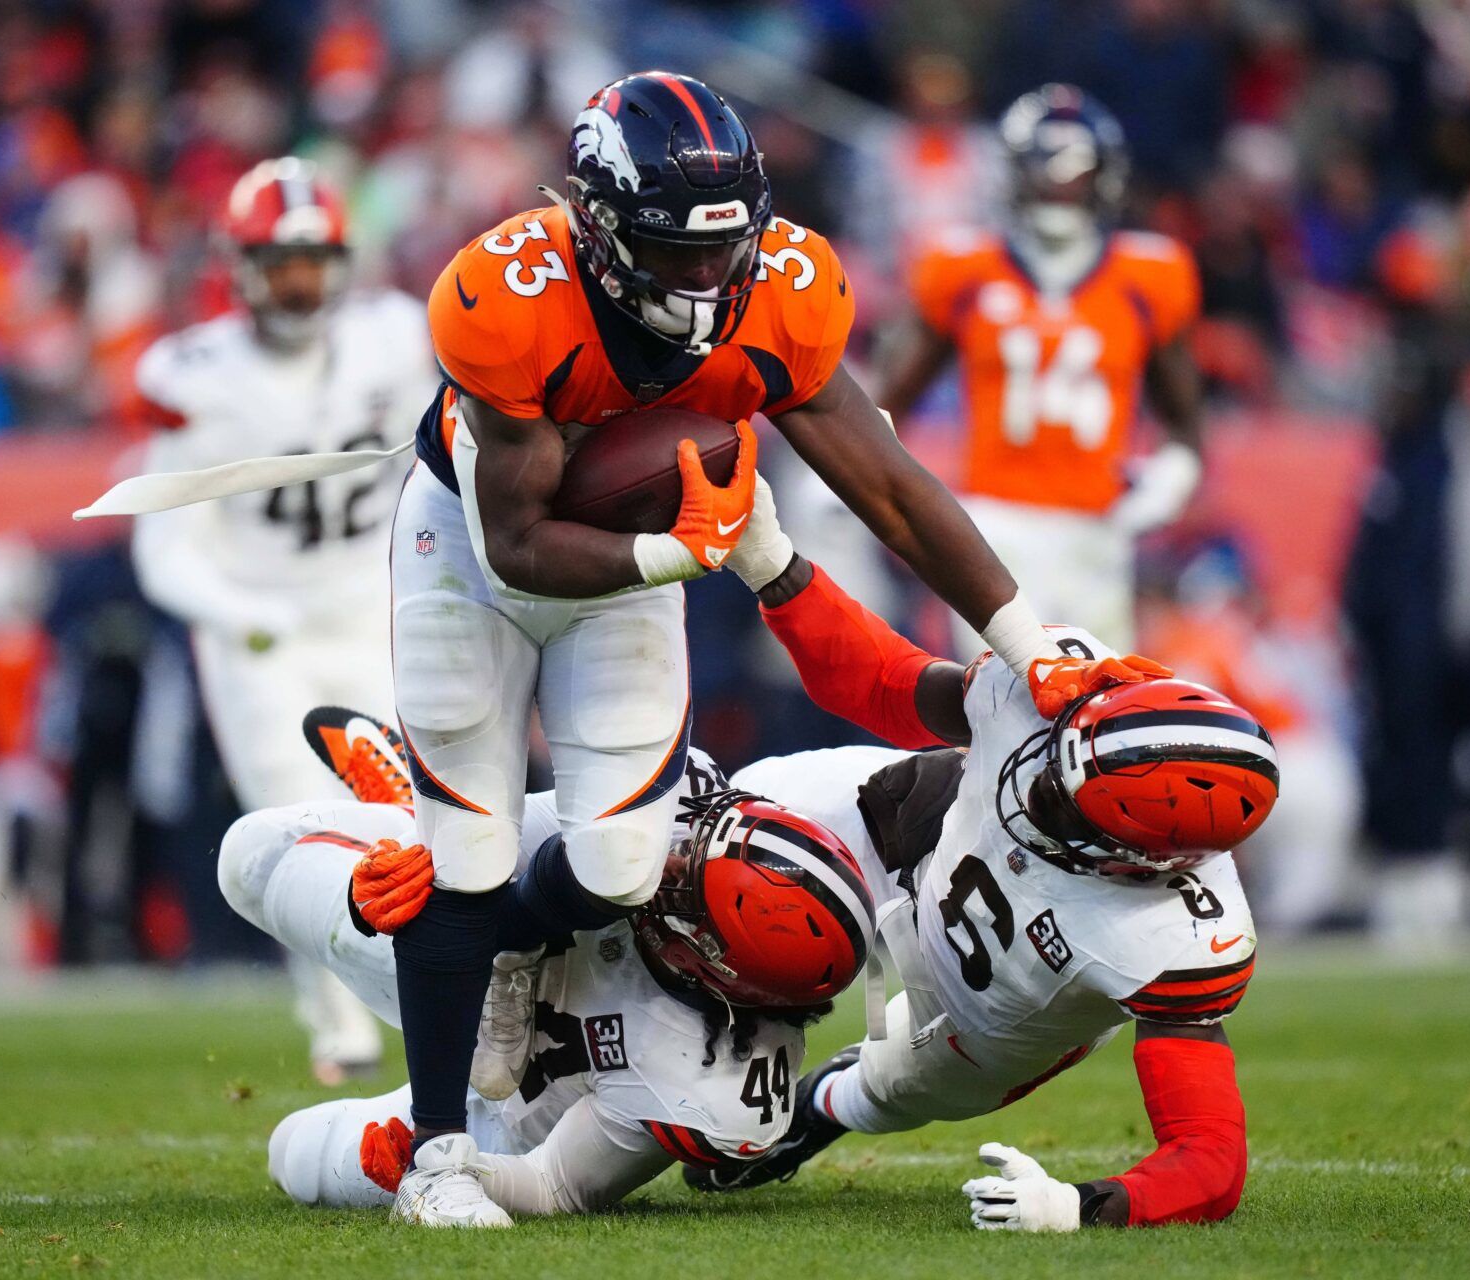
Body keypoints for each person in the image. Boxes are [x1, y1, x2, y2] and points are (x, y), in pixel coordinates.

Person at [388, 69, 1158, 1227]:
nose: (707, 280)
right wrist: (680, 552)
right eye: (673, 251)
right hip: (471, 549)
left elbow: (893, 490)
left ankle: (506, 950)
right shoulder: (509, 295)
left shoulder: (784, 288)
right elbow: (517, 544)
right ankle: (435, 1156)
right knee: (468, 840)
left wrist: (1026, 640)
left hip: (647, 552)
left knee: (618, 866)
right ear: (595, 224)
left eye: (724, 249)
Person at [677, 489, 1275, 1232]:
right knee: (699, 833)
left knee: (868, 1094)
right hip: (922, 822)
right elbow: (883, 681)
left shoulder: (1178, 943)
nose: (1044, 787)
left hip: (976, 1015)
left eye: (1067, 805)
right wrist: (774, 565)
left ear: (1144, 861)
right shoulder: (1057, 687)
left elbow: (1210, 1160)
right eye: (1062, 763)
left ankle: (817, 1106)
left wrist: (1076, 1209)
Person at [215, 718, 870, 1223]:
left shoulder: (723, 1089)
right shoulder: (679, 797)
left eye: (685, 889)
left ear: (715, 964)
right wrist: (378, 889)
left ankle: (404, 823)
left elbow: (556, 1185)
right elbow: (504, 840)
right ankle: (401, 816)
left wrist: (464, 1167)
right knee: (251, 854)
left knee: (295, 1155)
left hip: (502, 1102)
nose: (669, 860)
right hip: (458, 926)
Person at [131, 157, 440, 1083]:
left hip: (365, 607)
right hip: (256, 630)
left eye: (313, 259)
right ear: (241, 265)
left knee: (411, 810)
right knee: (294, 818)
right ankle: (336, 1021)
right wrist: (241, 613)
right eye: (280, 260)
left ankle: (422, 992)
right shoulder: (196, 373)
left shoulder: (396, 336)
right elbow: (165, 547)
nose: (299, 281)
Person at [877, 84, 1206, 650]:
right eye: (1043, 164)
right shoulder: (967, 268)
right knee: (1003, 707)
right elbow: (888, 404)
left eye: (1074, 165)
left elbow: (1186, 427)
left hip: (1097, 532)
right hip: (993, 528)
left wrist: (1172, 479)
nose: (1058, 180)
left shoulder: (1149, 277)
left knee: (1098, 712)